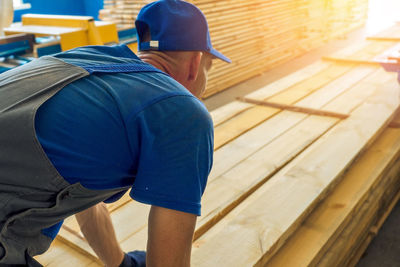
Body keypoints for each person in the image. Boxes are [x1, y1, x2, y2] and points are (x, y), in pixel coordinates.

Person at [0, 0, 231, 266]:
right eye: (208, 67)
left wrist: (120, 263)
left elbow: (86, 202)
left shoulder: (89, 62)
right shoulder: (183, 111)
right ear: (195, 62)